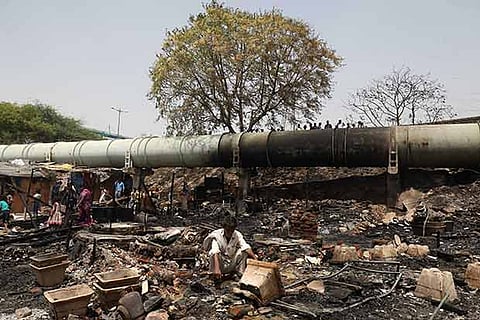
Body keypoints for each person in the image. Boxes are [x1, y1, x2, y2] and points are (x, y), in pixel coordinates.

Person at [203, 215, 257, 280]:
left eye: (232, 230)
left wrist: (256, 259)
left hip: (231, 262)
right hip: (221, 264)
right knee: (213, 255)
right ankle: (214, 276)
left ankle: (239, 274)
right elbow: (215, 251)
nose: (230, 232)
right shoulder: (216, 235)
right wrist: (217, 269)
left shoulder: (237, 234)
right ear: (224, 228)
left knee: (243, 252)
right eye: (228, 230)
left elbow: (245, 246)